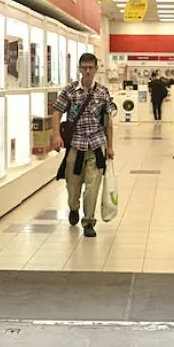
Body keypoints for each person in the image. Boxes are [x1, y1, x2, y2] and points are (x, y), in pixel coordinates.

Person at [51, 53, 117, 238]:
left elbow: (108, 122)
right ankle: (73, 207)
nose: (87, 71)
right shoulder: (70, 91)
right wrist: (56, 135)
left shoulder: (102, 92)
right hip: (75, 145)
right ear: (79, 69)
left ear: (96, 69)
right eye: (84, 68)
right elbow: (56, 112)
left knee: (92, 187)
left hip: (96, 146)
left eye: (91, 68)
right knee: (73, 187)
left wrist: (110, 146)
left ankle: (88, 221)